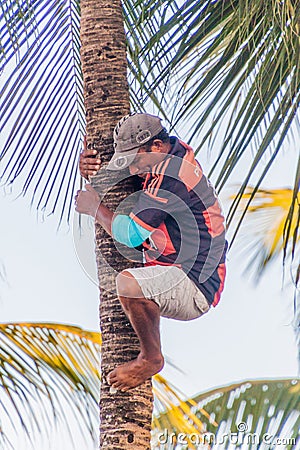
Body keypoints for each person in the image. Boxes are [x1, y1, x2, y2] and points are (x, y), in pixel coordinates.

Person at [75, 113, 227, 392]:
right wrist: (89, 164)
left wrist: (95, 207)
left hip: (195, 285)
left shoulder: (174, 179)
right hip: (178, 270)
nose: (131, 167)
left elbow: (131, 236)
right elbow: (123, 165)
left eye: (135, 159)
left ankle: (151, 358)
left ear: (157, 147)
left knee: (130, 284)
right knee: (132, 283)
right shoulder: (168, 152)